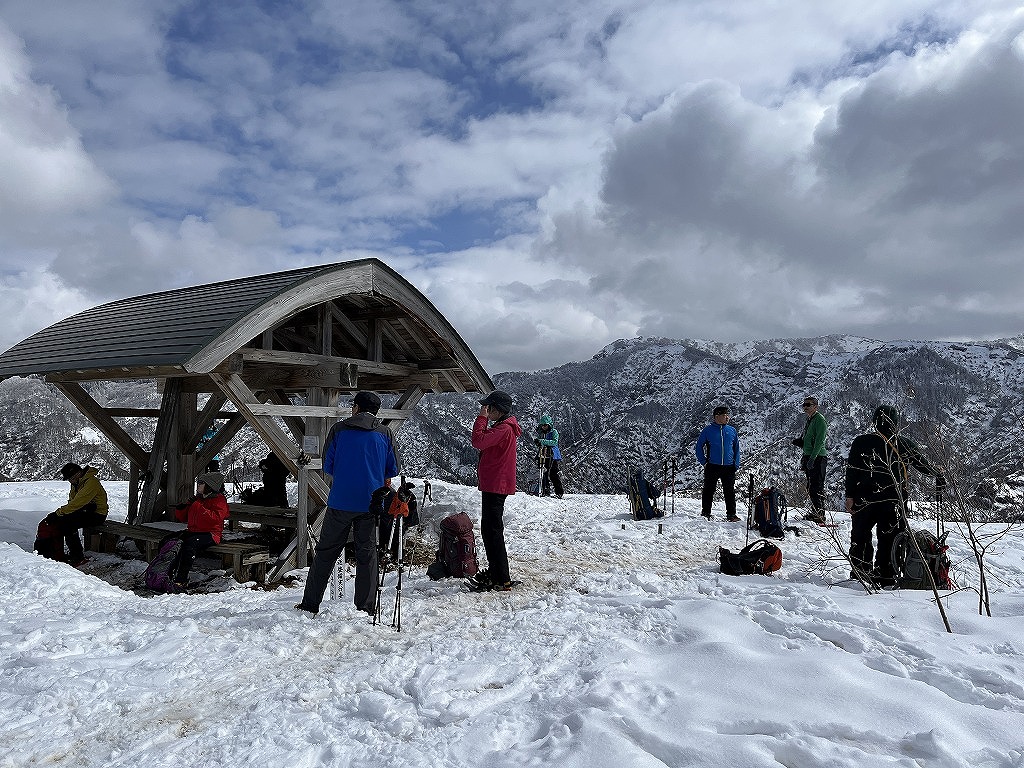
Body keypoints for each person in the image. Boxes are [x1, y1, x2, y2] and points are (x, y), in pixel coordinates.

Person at [296, 391, 400, 616]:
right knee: (367, 554)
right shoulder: (385, 433)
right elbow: (393, 468)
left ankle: (310, 604)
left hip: (340, 501)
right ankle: (366, 607)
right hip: (371, 503)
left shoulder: (339, 430)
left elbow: (328, 465)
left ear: (356, 408)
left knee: (326, 552)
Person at [844, 405, 945, 587]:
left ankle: (860, 573)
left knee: (860, 536)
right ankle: (886, 575)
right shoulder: (905, 444)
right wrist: (938, 474)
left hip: (864, 498)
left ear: (875, 422)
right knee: (890, 539)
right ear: (896, 423)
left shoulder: (861, 442)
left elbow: (852, 471)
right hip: (894, 500)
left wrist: (849, 496)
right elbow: (923, 466)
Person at [467, 390, 522, 592]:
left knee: (492, 532)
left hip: (496, 485)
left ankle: (500, 578)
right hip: (495, 484)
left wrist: (481, 418)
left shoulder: (504, 429)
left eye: (489, 407)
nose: (486, 410)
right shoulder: (503, 427)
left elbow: (478, 441)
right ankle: (497, 574)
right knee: (491, 530)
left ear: (498, 409)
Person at [172, 471, 230, 588]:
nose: (198, 485)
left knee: (189, 545)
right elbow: (183, 518)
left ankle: (181, 579)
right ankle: (166, 573)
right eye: (198, 482)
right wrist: (181, 509)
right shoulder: (198, 499)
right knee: (171, 541)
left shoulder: (219, 500)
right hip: (193, 531)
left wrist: (197, 506)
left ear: (209, 486)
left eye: (201, 483)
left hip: (211, 534)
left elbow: (216, 518)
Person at [43, 462, 109, 566]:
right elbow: (72, 502)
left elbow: (76, 503)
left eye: (70, 478)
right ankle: (64, 553)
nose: (69, 481)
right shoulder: (77, 483)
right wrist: (62, 514)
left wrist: (58, 513)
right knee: (63, 522)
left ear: (77, 474)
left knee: (68, 525)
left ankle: (78, 557)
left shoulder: (91, 482)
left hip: (98, 514)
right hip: (86, 511)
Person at [695, 405, 741, 521]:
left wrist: (736, 464)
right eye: (725, 415)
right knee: (709, 490)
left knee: (729, 491)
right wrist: (704, 462)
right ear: (717, 416)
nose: (728, 417)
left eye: (728, 415)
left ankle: (731, 514)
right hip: (712, 466)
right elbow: (698, 446)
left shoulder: (732, 430)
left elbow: (736, 448)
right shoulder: (707, 430)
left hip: (729, 467)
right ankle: (706, 513)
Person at [793, 396, 828, 523]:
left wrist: (812, 458)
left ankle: (820, 515)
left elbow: (819, 441)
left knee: (816, 486)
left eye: (808, 404)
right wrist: (802, 443)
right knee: (811, 486)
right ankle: (816, 512)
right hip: (809, 456)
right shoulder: (810, 419)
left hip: (817, 457)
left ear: (815, 406)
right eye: (804, 405)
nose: (805, 407)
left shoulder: (819, 420)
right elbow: (811, 438)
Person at [533, 414, 564, 498]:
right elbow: (541, 443)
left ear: (549, 424)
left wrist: (541, 441)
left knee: (553, 473)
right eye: (542, 425)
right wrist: (538, 443)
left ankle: (559, 492)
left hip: (552, 455)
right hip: (543, 454)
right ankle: (545, 491)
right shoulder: (541, 433)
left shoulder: (554, 432)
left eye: (545, 425)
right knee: (543, 473)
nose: (544, 427)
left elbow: (554, 442)